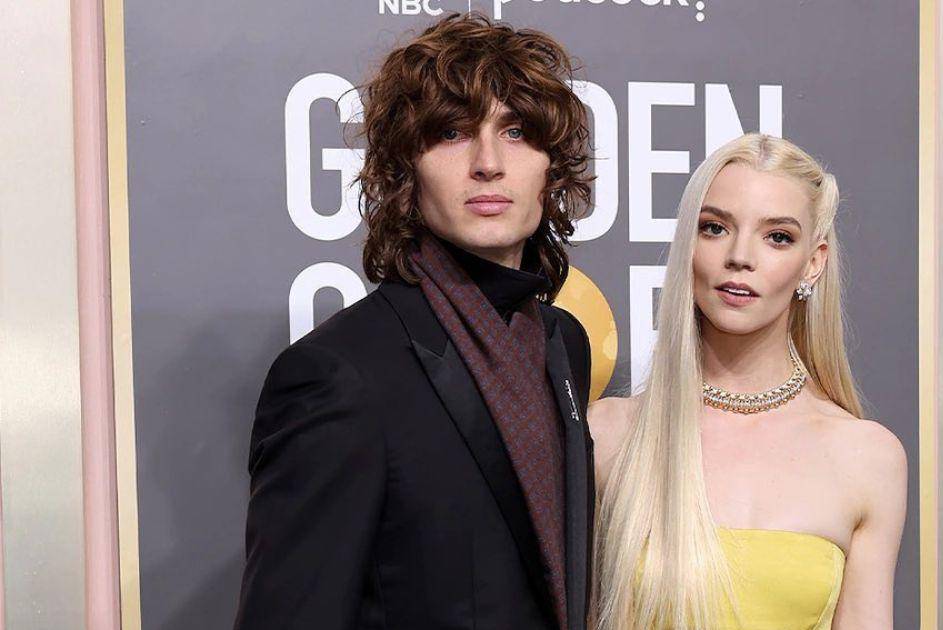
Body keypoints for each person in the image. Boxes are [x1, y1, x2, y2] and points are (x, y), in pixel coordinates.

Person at [232, 12, 596, 630]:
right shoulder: (339, 375)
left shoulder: (564, 344)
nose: (488, 162)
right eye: (452, 133)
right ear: (406, 168)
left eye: (516, 132)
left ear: (551, 167)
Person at [587, 133, 907, 630]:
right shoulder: (609, 435)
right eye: (714, 228)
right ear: (688, 245)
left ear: (814, 262)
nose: (739, 255)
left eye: (777, 237)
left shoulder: (867, 457)